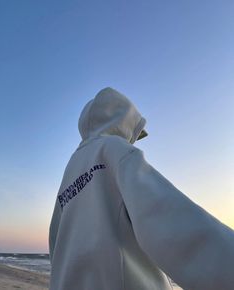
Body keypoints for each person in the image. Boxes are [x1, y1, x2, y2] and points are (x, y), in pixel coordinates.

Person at [49, 87, 234, 290]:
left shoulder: (71, 167)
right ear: (122, 121)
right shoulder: (114, 150)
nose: (133, 140)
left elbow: (56, 244)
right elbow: (168, 218)